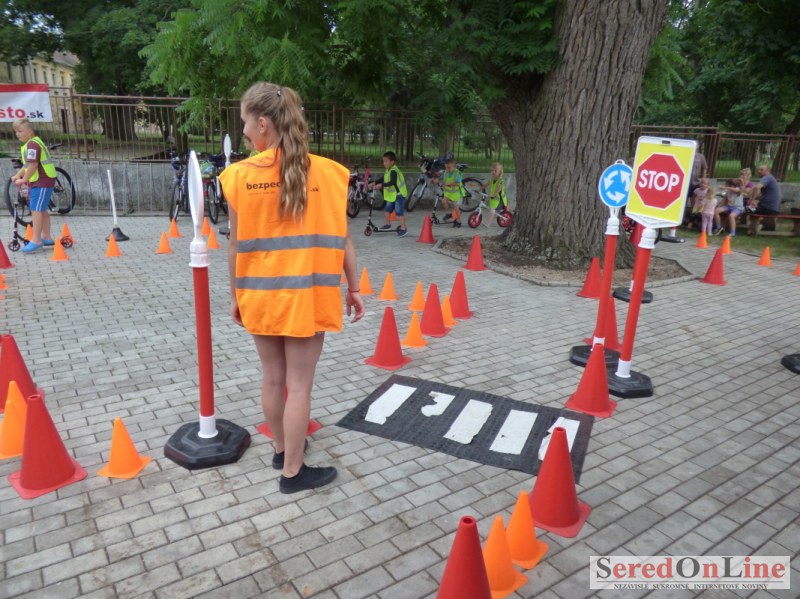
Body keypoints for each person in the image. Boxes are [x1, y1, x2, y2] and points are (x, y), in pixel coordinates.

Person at [219, 82, 365, 494]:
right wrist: (354, 288)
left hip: (260, 296)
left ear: (263, 123)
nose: (244, 130)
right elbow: (343, 240)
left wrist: (235, 296)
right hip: (308, 297)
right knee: (299, 386)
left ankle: (283, 450)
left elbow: (234, 245)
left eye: (245, 121)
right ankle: (293, 473)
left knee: (272, 379)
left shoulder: (238, 177)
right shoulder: (331, 174)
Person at [10, 118, 56, 253]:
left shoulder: (32, 145)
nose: (17, 134)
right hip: (41, 180)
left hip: (42, 180)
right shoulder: (31, 143)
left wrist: (24, 179)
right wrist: (18, 175)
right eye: (16, 132)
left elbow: (33, 165)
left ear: (30, 132)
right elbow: (27, 164)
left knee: (36, 209)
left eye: (20, 131)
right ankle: (46, 237)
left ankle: (36, 240)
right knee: (42, 209)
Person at [371, 151, 408, 237]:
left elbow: (392, 182)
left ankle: (403, 228)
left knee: (399, 212)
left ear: (392, 162)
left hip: (399, 195)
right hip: (392, 195)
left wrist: (381, 185)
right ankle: (387, 224)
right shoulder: (388, 170)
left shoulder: (394, 171)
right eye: (383, 161)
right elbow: (383, 178)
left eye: (386, 161)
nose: (384, 163)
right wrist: (375, 182)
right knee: (387, 209)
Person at [748, 164, 782, 234]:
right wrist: (753, 197)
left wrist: (752, 200)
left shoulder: (767, 178)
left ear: (768, 171)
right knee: (754, 208)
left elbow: (757, 187)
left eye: (761, 170)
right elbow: (760, 193)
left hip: (767, 208)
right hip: (775, 209)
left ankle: (752, 229)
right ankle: (764, 225)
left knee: (749, 209)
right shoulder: (771, 178)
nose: (759, 171)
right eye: (758, 169)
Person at [481, 162, 508, 228]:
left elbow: (499, 189)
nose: (493, 172)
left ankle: (488, 224)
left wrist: (494, 195)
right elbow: (486, 185)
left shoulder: (501, 180)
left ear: (500, 172)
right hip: (494, 199)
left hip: (500, 200)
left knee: (492, 211)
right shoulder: (492, 179)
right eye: (492, 170)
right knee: (492, 210)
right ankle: (490, 220)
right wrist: (478, 189)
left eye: (495, 170)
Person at [441, 156, 463, 227]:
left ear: (454, 167)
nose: (447, 169)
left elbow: (458, 183)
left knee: (456, 208)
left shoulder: (457, 173)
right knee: (444, 202)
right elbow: (442, 179)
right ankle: (452, 213)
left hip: (456, 194)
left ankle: (458, 221)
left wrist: (449, 184)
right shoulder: (446, 172)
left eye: (449, 168)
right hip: (448, 193)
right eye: (446, 167)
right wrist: (437, 181)